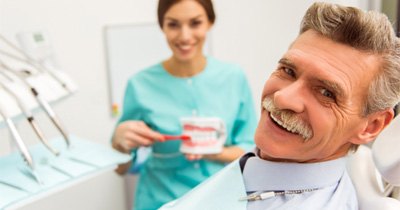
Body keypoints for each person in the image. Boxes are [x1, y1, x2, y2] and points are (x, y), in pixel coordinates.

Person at [159, 2, 400, 210]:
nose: (283, 98)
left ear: (372, 126)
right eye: (288, 71)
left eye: (326, 92)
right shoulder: (258, 170)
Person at [111, 0, 257, 209]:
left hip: (220, 200)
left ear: (210, 22)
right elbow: (121, 168)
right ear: (162, 26)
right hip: (159, 201)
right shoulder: (140, 84)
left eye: (195, 23)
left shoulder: (233, 77)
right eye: (173, 25)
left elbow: (250, 151)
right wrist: (118, 144)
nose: (185, 36)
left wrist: (212, 151)